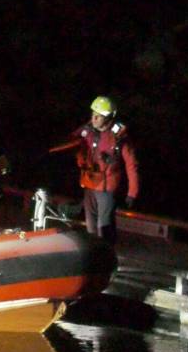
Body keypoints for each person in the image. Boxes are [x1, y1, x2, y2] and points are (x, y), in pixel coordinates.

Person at [50, 96, 139, 244]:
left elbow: (132, 165)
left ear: (109, 117)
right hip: (89, 184)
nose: (94, 118)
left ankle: (107, 254)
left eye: (99, 115)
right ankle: (94, 254)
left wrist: (132, 192)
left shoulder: (119, 137)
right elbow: (70, 140)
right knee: (90, 226)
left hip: (106, 188)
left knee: (104, 226)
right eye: (93, 114)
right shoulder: (87, 130)